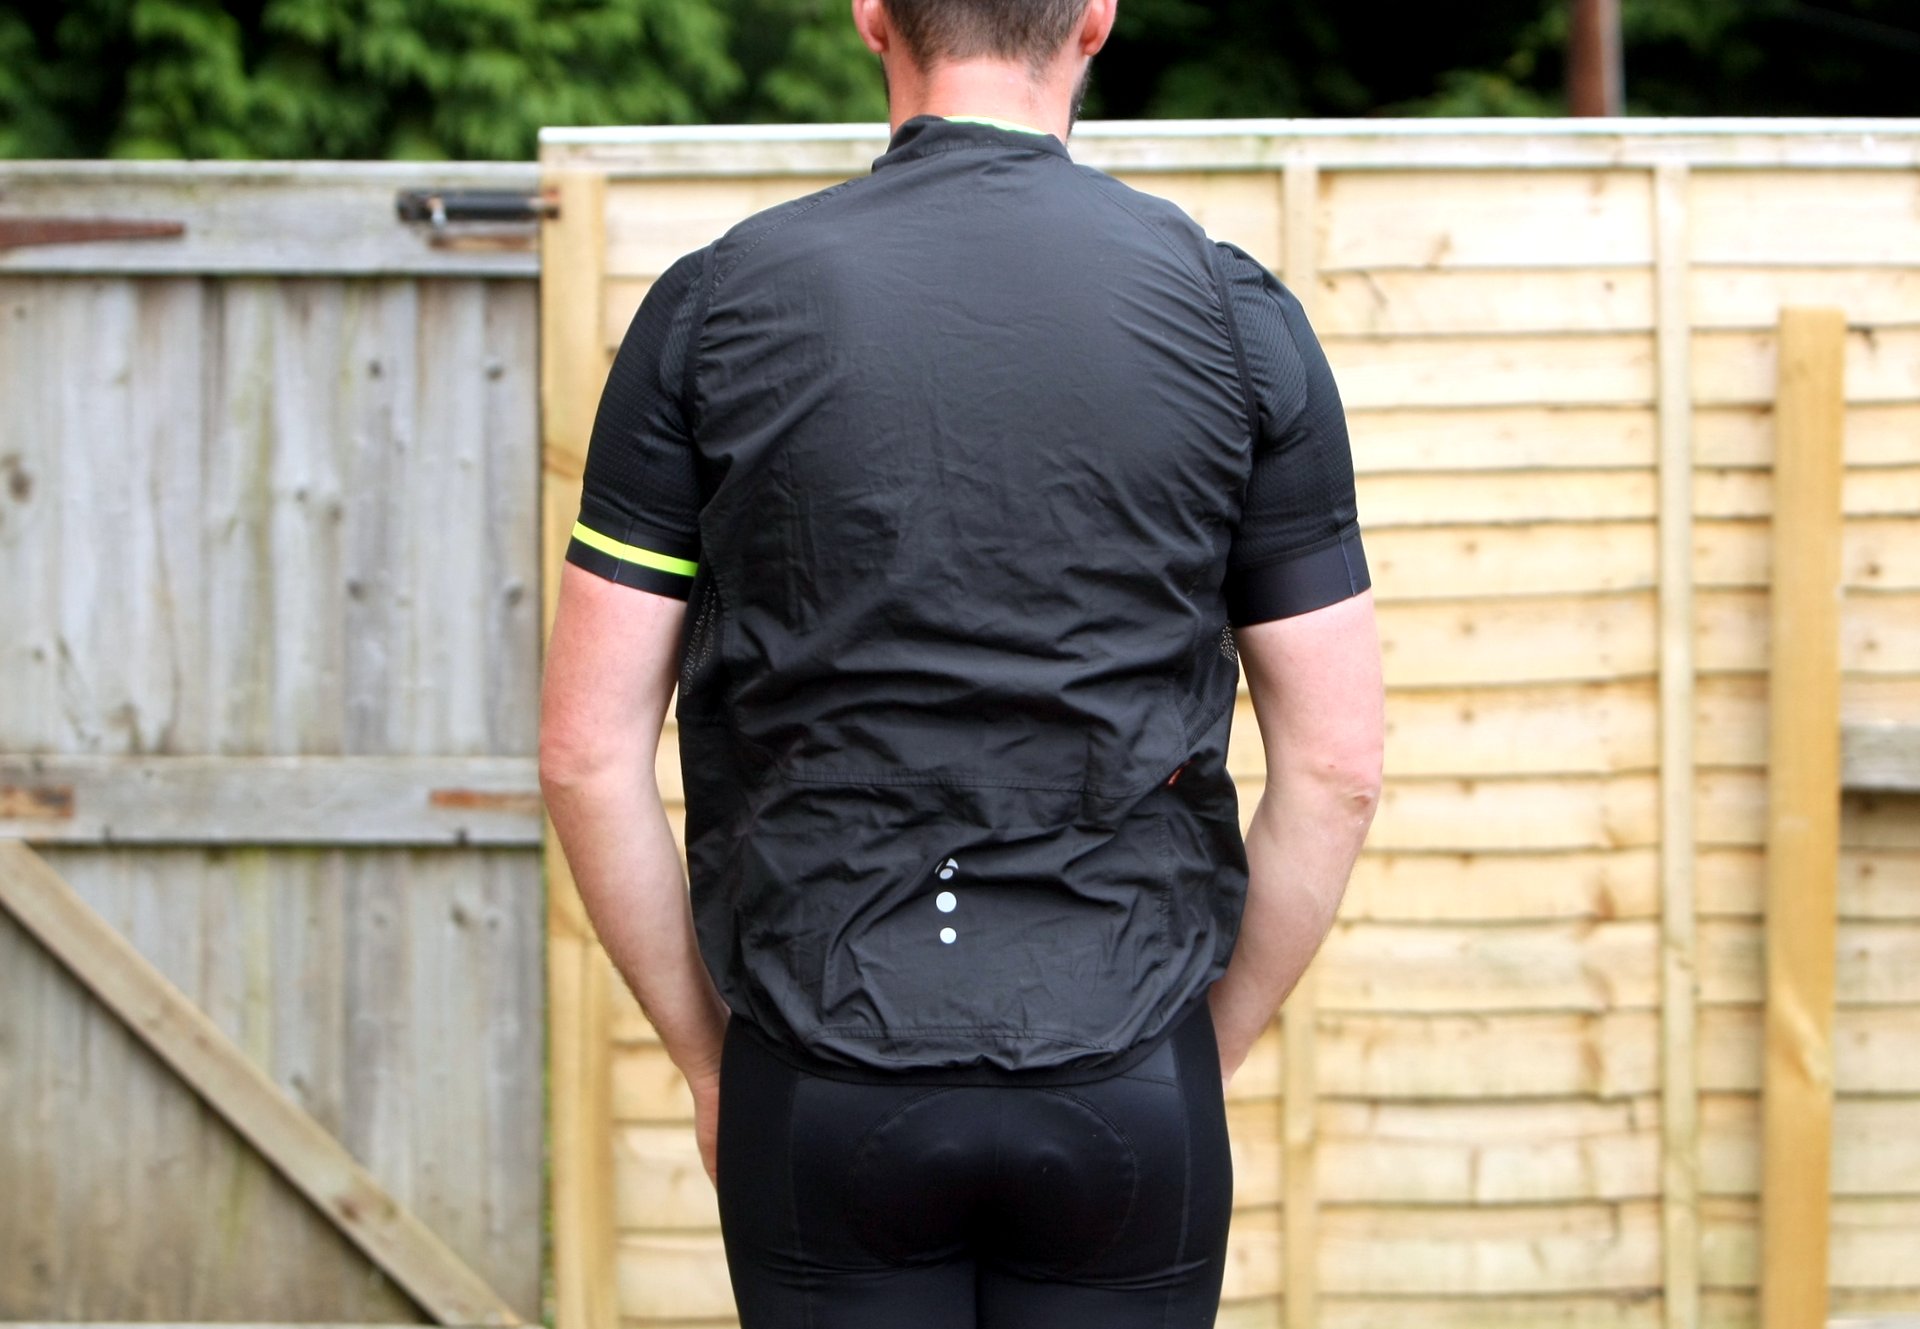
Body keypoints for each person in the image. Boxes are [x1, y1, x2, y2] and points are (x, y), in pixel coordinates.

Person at [538, 0, 1384, 1324]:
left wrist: (714, 1065)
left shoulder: (713, 309)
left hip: (820, 1075)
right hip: (1126, 1067)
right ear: (1095, 17)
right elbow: (1336, 768)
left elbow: (586, 755)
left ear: (872, 13)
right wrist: (1186, 1059)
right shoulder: (1233, 318)